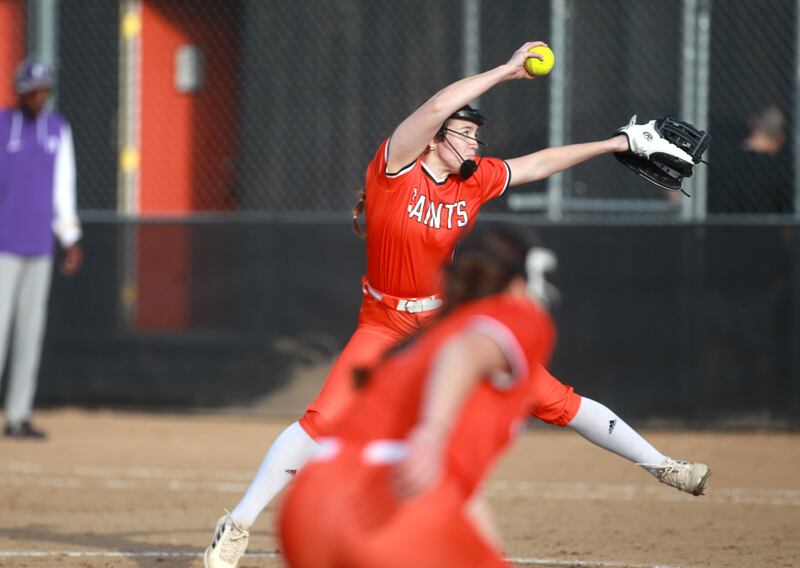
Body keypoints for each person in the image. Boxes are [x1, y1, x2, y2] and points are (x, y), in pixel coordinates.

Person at [204, 41, 649, 566]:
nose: (474, 144)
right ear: (435, 141)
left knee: (547, 395)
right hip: (384, 322)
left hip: (440, 322)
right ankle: (237, 525)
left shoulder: (474, 182)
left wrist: (615, 143)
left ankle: (662, 464)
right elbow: (438, 108)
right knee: (323, 420)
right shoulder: (394, 169)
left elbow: (538, 165)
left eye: (478, 136)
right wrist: (506, 71)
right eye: (465, 134)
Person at [276, 228, 710, 568]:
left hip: (307, 508)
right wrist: (433, 430)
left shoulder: (428, 336)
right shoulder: (512, 319)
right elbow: (470, 348)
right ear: (517, 279)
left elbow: (463, 488)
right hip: (377, 509)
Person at [0, 59, 82, 439]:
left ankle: (18, 415)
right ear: (20, 91)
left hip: (38, 245)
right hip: (4, 246)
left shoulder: (57, 130)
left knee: (30, 333)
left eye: (44, 90)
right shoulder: (3, 126)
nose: (39, 97)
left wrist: (70, 237)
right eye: (33, 90)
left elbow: (63, 187)